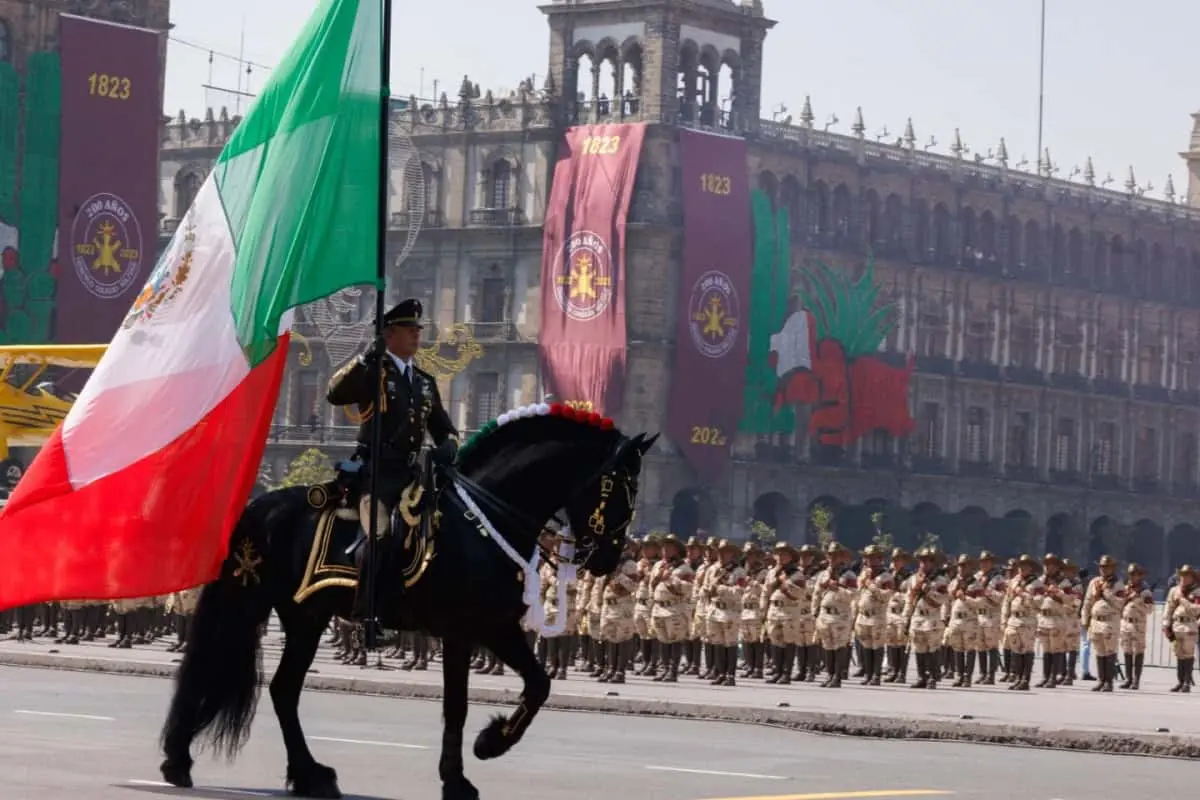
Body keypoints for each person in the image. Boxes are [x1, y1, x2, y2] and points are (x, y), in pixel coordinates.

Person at [326, 298, 458, 623]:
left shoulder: (424, 382)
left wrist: (450, 447)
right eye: (409, 329)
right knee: (382, 536)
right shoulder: (374, 373)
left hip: (411, 478)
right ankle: (368, 614)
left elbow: (443, 428)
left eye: (417, 329)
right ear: (389, 334)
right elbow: (335, 393)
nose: (416, 335)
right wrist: (365, 359)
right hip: (375, 475)